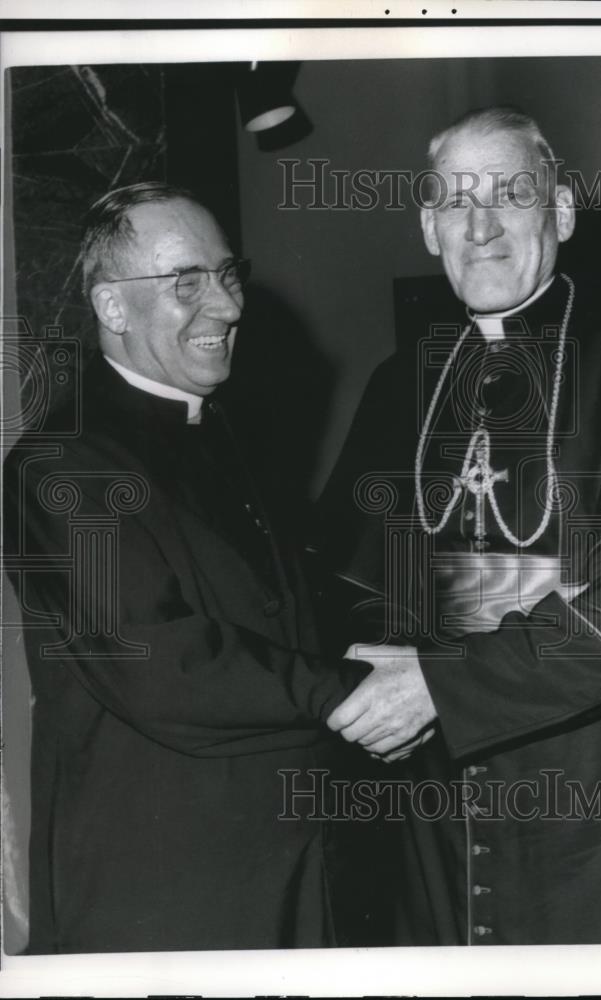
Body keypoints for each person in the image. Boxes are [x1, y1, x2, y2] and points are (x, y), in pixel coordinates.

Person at [319, 107, 601, 946]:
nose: (479, 227)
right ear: (428, 229)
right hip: (426, 788)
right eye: (451, 202)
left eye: (509, 195)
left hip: (592, 778)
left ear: (564, 212)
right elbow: (349, 579)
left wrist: (447, 683)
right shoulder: (400, 382)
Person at [3, 182, 368, 954]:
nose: (228, 307)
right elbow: (166, 665)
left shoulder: (226, 431)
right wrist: (358, 692)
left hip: (292, 863)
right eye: (186, 284)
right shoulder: (60, 462)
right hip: (165, 888)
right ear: (111, 308)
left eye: (228, 274)